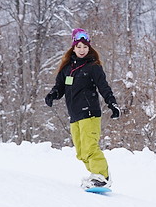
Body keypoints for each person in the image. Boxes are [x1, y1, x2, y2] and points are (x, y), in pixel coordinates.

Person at [44, 28, 120, 188]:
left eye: (85, 47)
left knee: (90, 146)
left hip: (90, 114)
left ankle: (102, 176)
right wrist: (52, 95)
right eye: (78, 46)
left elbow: (103, 87)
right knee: (81, 152)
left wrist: (112, 103)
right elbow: (59, 87)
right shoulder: (67, 69)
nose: (82, 50)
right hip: (75, 116)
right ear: (73, 47)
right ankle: (95, 175)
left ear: (89, 48)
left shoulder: (93, 67)